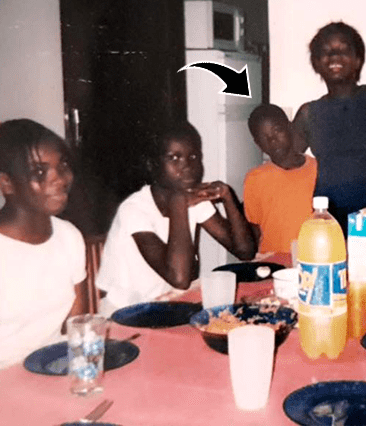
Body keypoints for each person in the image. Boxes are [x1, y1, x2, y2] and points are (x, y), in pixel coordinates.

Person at [0, 119, 89, 380]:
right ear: (5, 183)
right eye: (39, 172)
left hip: (55, 378)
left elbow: (76, 332)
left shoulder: (69, 236)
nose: (60, 179)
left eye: (63, 165)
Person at [96, 122, 256, 314]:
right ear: (152, 165)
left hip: (168, 303)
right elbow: (180, 279)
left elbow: (245, 252)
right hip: (124, 312)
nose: (187, 166)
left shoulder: (193, 200)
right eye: (174, 158)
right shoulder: (134, 210)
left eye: (193, 157)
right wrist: (179, 204)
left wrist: (228, 197)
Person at [291, 21, 366, 231]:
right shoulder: (309, 113)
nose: (334, 55)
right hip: (331, 220)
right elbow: (287, 160)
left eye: (343, 50)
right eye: (326, 51)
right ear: (316, 63)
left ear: (357, 60)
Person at [244, 104, 317, 254]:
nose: (272, 140)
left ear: (289, 127)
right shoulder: (255, 179)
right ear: (258, 144)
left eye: (277, 131)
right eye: (264, 137)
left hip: (313, 257)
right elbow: (254, 230)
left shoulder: (318, 170)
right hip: (272, 260)